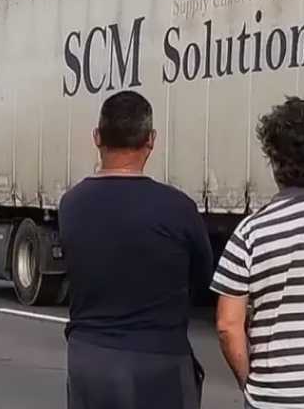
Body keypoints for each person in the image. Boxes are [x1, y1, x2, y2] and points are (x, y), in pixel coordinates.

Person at [58, 90, 212, 409]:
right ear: (151, 140)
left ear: (97, 137)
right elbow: (203, 280)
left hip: (89, 358)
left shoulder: (71, 205)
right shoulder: (179, 208)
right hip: (160, 363)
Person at [212, 97, 304, 409]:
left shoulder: (250, 232)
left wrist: (250, 383)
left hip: (276, 398)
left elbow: (228, 326)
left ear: (274, 159)